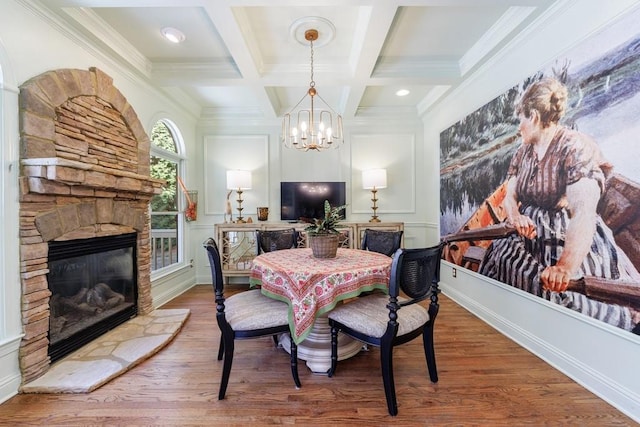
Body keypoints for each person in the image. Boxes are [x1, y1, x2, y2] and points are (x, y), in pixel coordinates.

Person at [478, 76, 640, 333]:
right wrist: (516, 216)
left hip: (567, 234)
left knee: (558, 293)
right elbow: (510, 197)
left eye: (520, 119)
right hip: (527, 231)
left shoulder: (573, 147)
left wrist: (564, 267)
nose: (519, 127)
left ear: (533, 116)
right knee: (501, 262)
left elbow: (584, 213)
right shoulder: (522, 153)